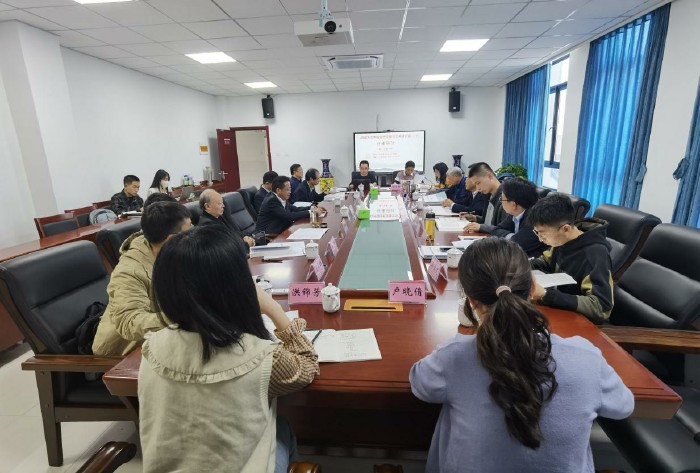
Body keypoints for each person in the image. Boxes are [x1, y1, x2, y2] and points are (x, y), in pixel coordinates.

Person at [410, 238, 634, 473]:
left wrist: (453, 346)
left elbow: (420, 383)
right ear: (532, 289)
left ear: (471, 300)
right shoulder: (586, 358)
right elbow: (623, 406)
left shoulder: (454, 356)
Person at [139, 225, 319, 473]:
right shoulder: (263, 357)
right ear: (238, 288)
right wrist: (275, 310)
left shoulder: (151, 347)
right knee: (282, 428)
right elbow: (307, 367)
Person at [92, 201, 192, 356]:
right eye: (189, 231)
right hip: (122, 354)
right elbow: (129, 323)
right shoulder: (129, 271)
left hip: (162, 337)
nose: (193, 236)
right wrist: (187, 316)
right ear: (172, 239)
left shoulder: (168, 252)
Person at [529, 193, 614, 323]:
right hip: (560, 308)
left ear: (565, 229)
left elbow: (601, 307)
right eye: (537, 233)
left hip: (580, 322)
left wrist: (546, 294)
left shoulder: (595, 254)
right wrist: (519, 265)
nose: (540, 239)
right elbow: (545, 261)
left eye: (543, 234)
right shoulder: (563, 240)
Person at [466, 178, 546, 257]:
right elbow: (496, 230)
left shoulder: (535, 218)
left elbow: (517, 244)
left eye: (502, 199)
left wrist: (513, 238)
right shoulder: (515, 213)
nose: (501, 202)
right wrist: (512, 236)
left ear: (513, 205)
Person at [463, 162, 506, 226]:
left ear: (489, 176)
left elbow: (503, 229)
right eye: (475, 184)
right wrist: (476, 218)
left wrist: (481, 227)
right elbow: (489, 222)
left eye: (478, 183)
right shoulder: (488, 195)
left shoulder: (506, 198)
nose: (478, 188)